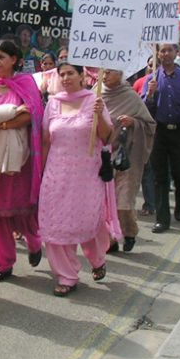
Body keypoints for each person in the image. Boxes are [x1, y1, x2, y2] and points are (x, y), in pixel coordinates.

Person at [38, 62, 114, 295]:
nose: (66, 77)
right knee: (55, 226)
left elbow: (108, 137)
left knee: (87, 222)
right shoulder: (52, 103)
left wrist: (100, 116)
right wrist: (40, 175)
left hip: (86, 176)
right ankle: (66, 275)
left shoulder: (95, 101)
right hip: (56, 175)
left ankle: (97, 258)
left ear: (82, 76)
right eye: (62, 74)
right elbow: (45, 141)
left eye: (71, 73)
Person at [0, 39, 44, 282]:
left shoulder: (25, 83)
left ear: (14, 60)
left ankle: (34, 243)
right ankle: (3, 264)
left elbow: (30, 115)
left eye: (1, 56)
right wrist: (6, 118)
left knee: (22, 206)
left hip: (20, 156)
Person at [142, 43, 180, 233]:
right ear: (158, 54)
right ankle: (162, 218)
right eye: (162, 50)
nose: (166, 54)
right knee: (160, 177)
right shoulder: (152, 79)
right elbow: (144, 109)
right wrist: (151, 95)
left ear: (176, 53)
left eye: (170, 50)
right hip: (159, 133)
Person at [102, 68, 155, 252]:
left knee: (123, 202)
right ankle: (111, 239)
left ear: (120, 73)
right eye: (104, 72)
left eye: (110, 72)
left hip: (127, 156)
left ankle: (129, 232)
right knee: (104, 202)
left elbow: (149, 125)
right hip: (102, 155)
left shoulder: (130, 96)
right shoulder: (95, 93)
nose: (105, 75)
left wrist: (134, 122)